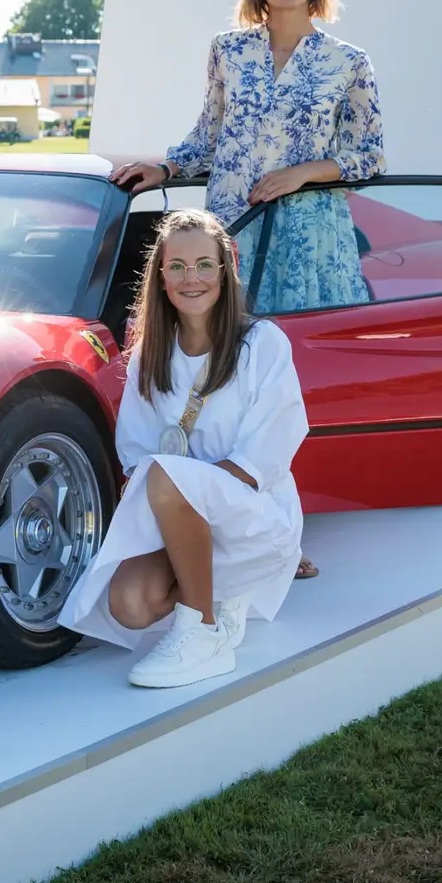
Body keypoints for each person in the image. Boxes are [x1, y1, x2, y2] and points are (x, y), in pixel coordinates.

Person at [110, 0, 384, 580]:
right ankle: (210, 519)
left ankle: (280, 536)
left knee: (286, 391)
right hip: (235, 233)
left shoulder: (348, 62)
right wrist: (164, 168)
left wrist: (303, 173)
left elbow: (369, 155)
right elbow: (207, 137)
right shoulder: (227, 52)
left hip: (309, 240)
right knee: (223, 380)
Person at [58, 209, 307, 688]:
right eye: (177, 267)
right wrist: (178, 510)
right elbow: (136, 454)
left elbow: (267, 452)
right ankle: (222, 591)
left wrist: (191, 491)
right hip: (180, 520)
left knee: (166, 475)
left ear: (225, 272)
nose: (191, 278)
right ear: (161, 278)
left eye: (204, 265)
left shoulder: (261, 343)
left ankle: (202, 631)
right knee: (130, 604)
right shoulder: (151, 355)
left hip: (254, 515)